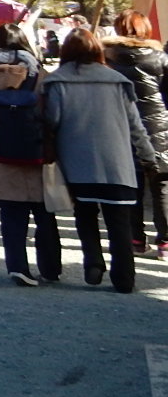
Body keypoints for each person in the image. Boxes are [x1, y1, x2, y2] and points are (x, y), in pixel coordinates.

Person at [44, 27, 156, 293]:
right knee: (119, 222)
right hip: (117, 165)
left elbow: (52, 122)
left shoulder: (57, 82)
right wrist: (148, 156)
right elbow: (135, 125)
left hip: (77, 165)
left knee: (85, 216)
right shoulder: (117, 81)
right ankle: (124, 277)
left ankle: (93, 263)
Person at [0, 24, 59, 286]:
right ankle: (50, 267)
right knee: (44, 212)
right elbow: (49, 113)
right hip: (35, 147)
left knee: (10, 212)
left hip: (0, 147)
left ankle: (17, 266)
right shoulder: (38, 71)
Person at [102, 11, 168, 259]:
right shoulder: (160, 57)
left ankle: (136, 239)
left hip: (120, 126)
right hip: (158, 127)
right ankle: (165, 242)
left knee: (131, 186)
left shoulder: (106, 57)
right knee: (161, 184)